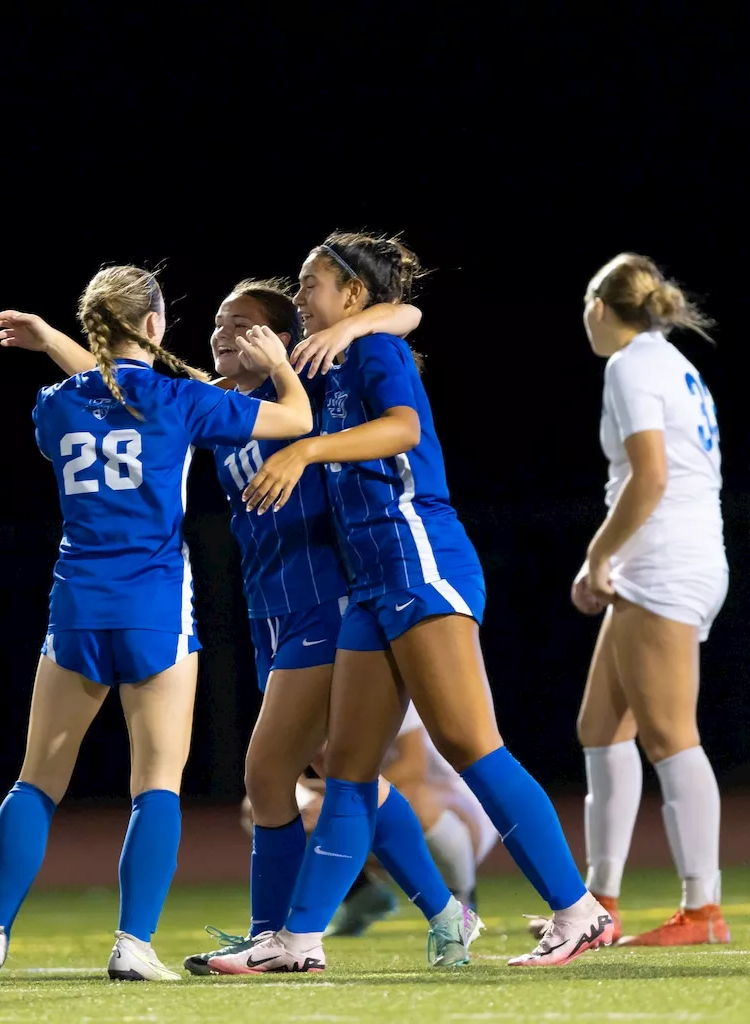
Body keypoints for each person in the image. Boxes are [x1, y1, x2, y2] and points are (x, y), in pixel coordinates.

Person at [11, 278, 480, 971]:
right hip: (272, 611)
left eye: (244, 325)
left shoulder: (308, 395)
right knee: (324, 769)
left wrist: (338, 335)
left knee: (274, 771)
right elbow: (123, 382)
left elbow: (405, 312)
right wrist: (53, 340)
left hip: (326, 602)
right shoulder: (220, 404)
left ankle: (304, 933)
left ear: (282, 339)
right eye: (218, 324)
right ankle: (431, 914)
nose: (223, 334)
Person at [208, 232, 615, 974]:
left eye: (312, 283)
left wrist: (305, 450)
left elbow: (404, 427)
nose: (301, 297)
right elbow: (399, 315)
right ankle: (297, 941)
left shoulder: (369, 350)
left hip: (418, 557)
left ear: (355, 295)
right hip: (368, 582)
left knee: (469, 742)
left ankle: (578, 910)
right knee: (351, 772)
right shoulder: (324, 358)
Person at [0, 264, 314, 986]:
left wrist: (55, 342)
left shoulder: (52, 404)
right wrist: (283, 369)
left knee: (35, 783)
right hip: (153, 607)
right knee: (155, 785)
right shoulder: (181, 400)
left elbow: (105, 387)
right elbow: (297, 423)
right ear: (155, 325)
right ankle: (132, 943)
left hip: (77, 606)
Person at [525, 254, 728, 947]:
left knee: (671, 735)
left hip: (664, 559)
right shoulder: (672, 363)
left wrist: (598, 555)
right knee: (599, 729)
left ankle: (702, 911)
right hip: (677, 554)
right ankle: (598, 905)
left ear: (602, 306)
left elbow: (650, 476)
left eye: (586, 302)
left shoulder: (632, 365)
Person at [264, 703, 499, 937]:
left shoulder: (382, 681)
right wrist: (306, 802)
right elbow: (287, 766)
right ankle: (362, 897)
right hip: (365, 797)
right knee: (268, 804)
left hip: (449, 806)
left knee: (416, 800)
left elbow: (413, 770)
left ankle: (460, 898)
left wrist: (339, 802)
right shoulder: (312, 689)